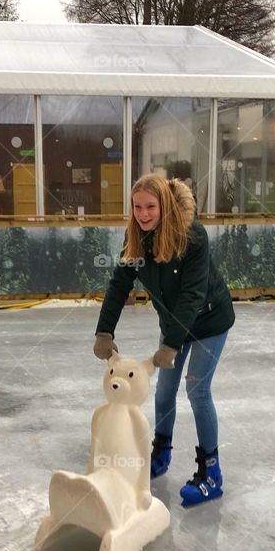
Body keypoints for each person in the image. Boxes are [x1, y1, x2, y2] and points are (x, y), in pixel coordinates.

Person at [92, 174, 235, 508]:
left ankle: (211, 473)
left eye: (150, 206)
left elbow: (192, 294)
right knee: (164, 390)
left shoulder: (191, 236)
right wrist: (104, 331)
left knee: (197, 390)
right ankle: (162, 452)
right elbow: (118, 285)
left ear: (164, 205)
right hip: (174, 324)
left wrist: (170, 345)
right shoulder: (138, 240)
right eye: (137, 207)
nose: (143, 214)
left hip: (209, 321)